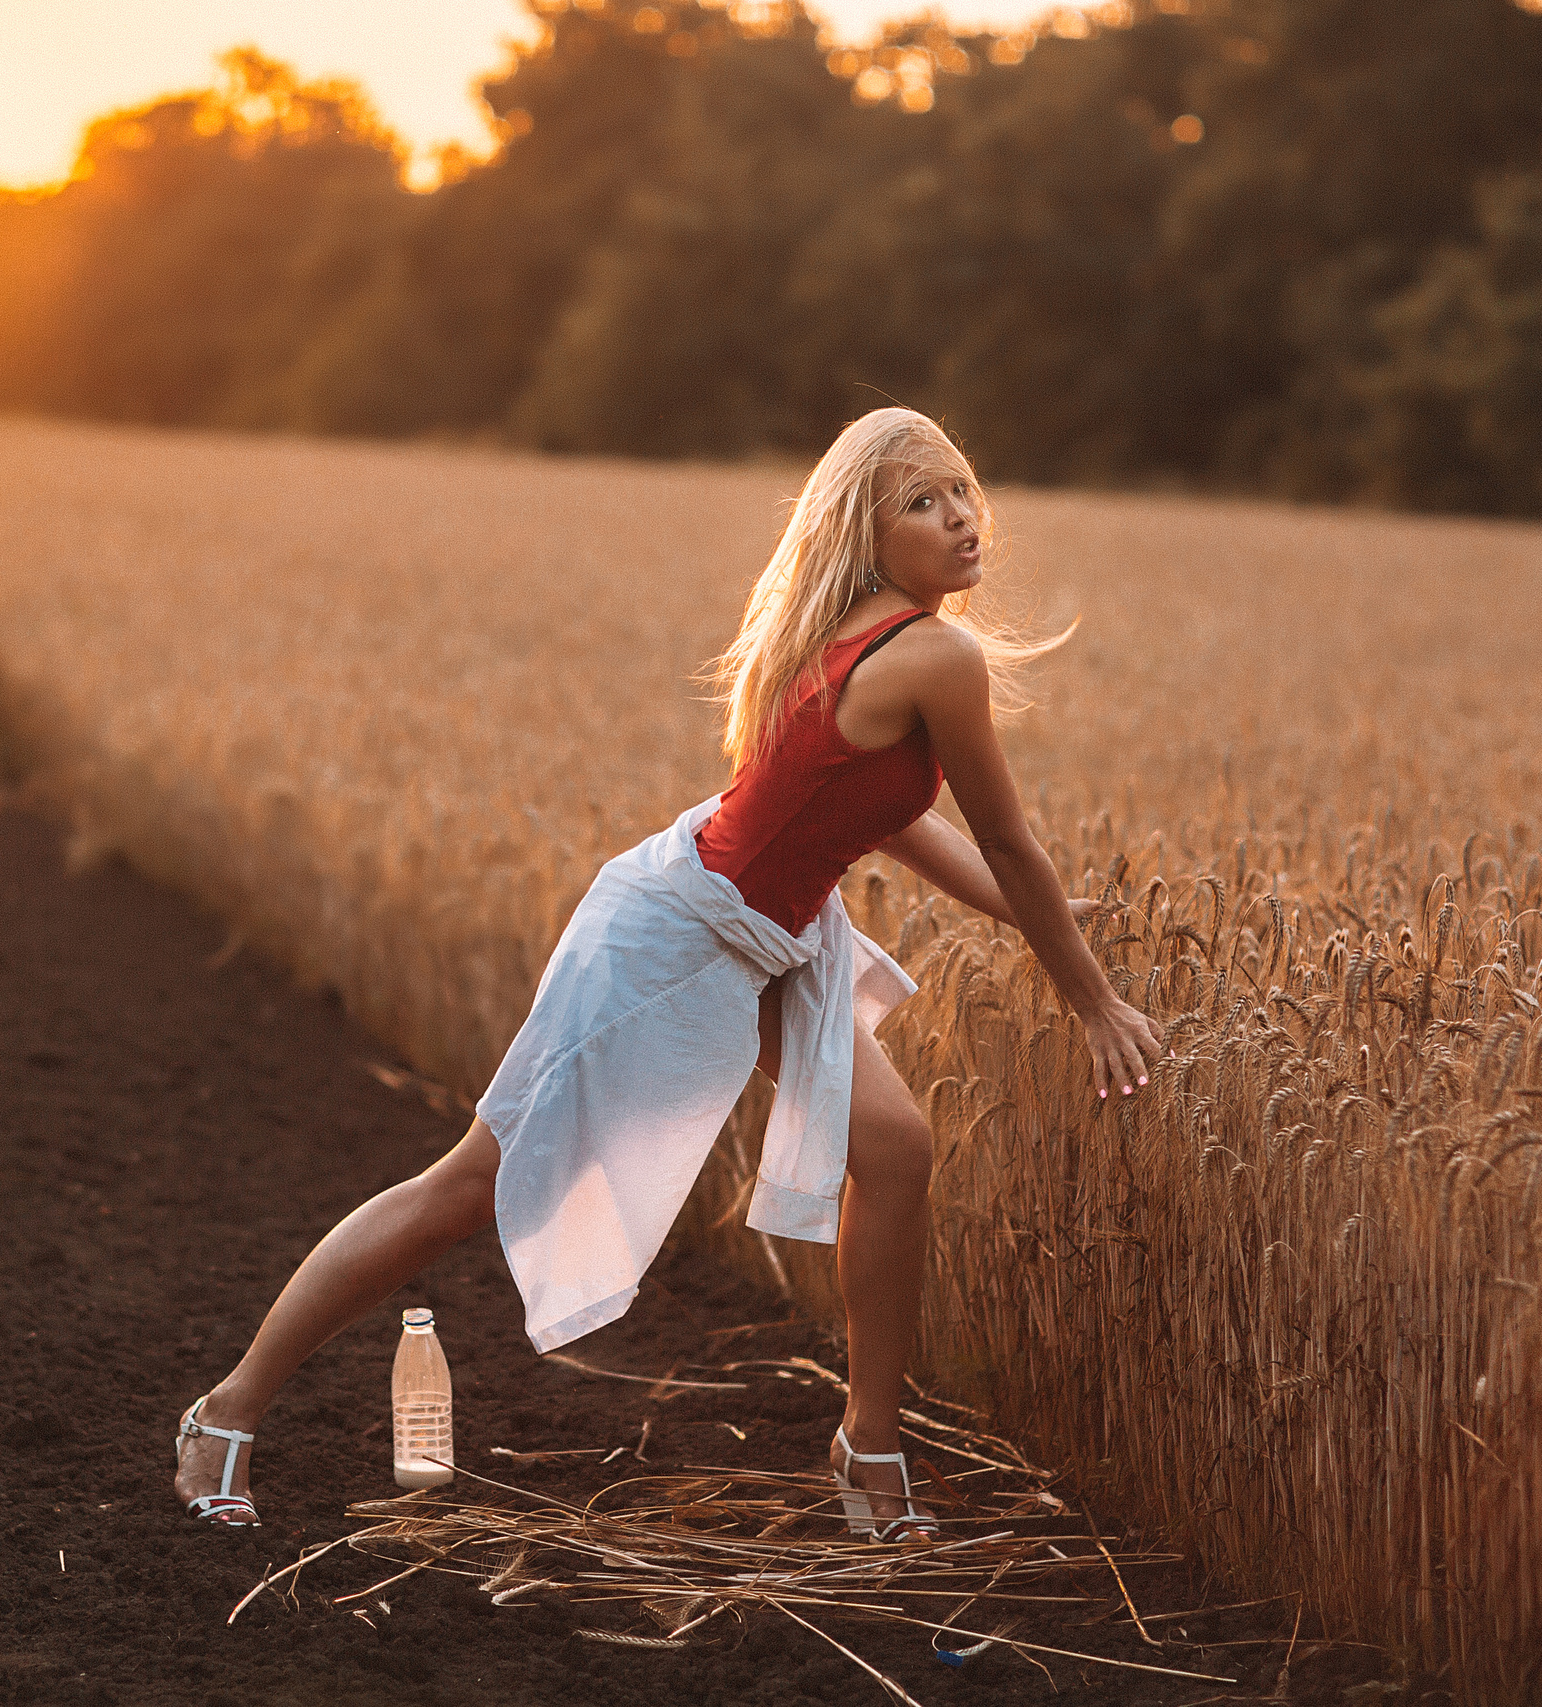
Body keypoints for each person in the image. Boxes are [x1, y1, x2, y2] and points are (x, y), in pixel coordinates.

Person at [173, 407, 1164, 1536]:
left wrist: (1029, 915)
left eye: (961, 491)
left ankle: (868, 1450)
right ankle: (226, 1411)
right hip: (675, 939)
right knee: (467, 1189)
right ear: (867, 533)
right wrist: (1088, 997)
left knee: (894, 1151)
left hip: (772, 930)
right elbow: (1008, 838)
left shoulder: (873, 632)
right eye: (921, 503)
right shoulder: (925, 649)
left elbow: (888, 817)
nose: (959, 519)